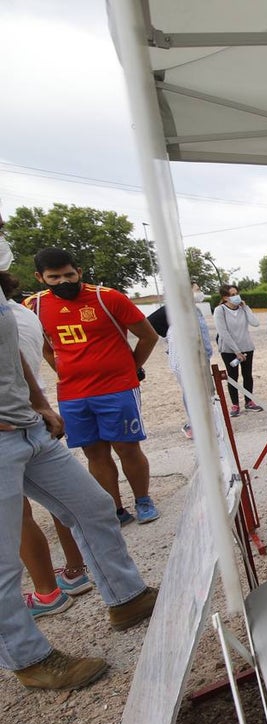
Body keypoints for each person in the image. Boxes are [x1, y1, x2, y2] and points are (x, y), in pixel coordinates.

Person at [1, 292, 158, 690]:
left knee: (92, 506)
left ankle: (127, 599)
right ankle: (29, 659)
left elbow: (10, 353)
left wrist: (38, 402)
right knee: (4, 561)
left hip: (28, 428)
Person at [25, 248, 161, 526]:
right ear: (40, 277)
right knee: (94, 452)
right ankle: (115, 509)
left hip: (117, 388)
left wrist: (131, 368)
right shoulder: (33, 306)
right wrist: (64, 371)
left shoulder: (107, 297)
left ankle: (143, 500)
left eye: (69, 274)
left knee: (126, 447)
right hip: (73, 394)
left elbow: (148, 336)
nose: (63, 281)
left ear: (79, 272)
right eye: (54, 277)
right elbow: (46, 348)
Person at [3, 271, 91, 616]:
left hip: (16, 421)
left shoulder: (21, 311)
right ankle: (74, 569)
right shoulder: (24, 311)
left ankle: (46, 591)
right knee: (65, 502)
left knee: (20, 517)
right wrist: (40, 402)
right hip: (32, 416)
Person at [146, 284, 213, 439]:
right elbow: (150, 322)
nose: (199, 292)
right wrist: (168, 334)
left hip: (201, 357)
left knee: (203, 392)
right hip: (186, 361)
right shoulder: (174, 310)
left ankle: (205, 422)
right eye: (196, 289)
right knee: (192, 392)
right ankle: (193, 425)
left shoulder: (194, 309)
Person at [213, 284, 262, 418]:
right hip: (229, 350)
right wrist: (236, 350)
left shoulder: (242, 309)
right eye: (232, 295)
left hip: (246, 347)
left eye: (236, 293)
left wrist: (245, 307)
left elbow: (255, 322)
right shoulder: (220, 310)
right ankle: (235, 404)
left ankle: (249, 401)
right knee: (232, 376)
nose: (236, 297)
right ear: (225, 297)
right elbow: (223, 332)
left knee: (247, 375)